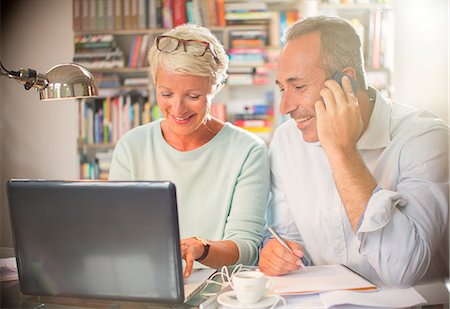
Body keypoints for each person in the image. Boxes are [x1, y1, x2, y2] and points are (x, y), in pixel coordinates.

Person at [258, 15, 449, 287]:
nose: (285, 107)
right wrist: (278, 254)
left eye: (299, 87)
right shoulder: (286, 140)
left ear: (346, 80)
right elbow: (290, 243)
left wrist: (342, 152)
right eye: (282, 89)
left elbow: (403, 269)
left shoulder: (426, 139)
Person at [108, 24, 270, 278]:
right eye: (166, 93)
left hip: (219, 287)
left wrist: (201, 249)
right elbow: (116, 231)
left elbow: (246, 248)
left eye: (193, 95)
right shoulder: (132, 146)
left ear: (215, 87)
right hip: (145, 281)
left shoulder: (248, 151)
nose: (178, 108)